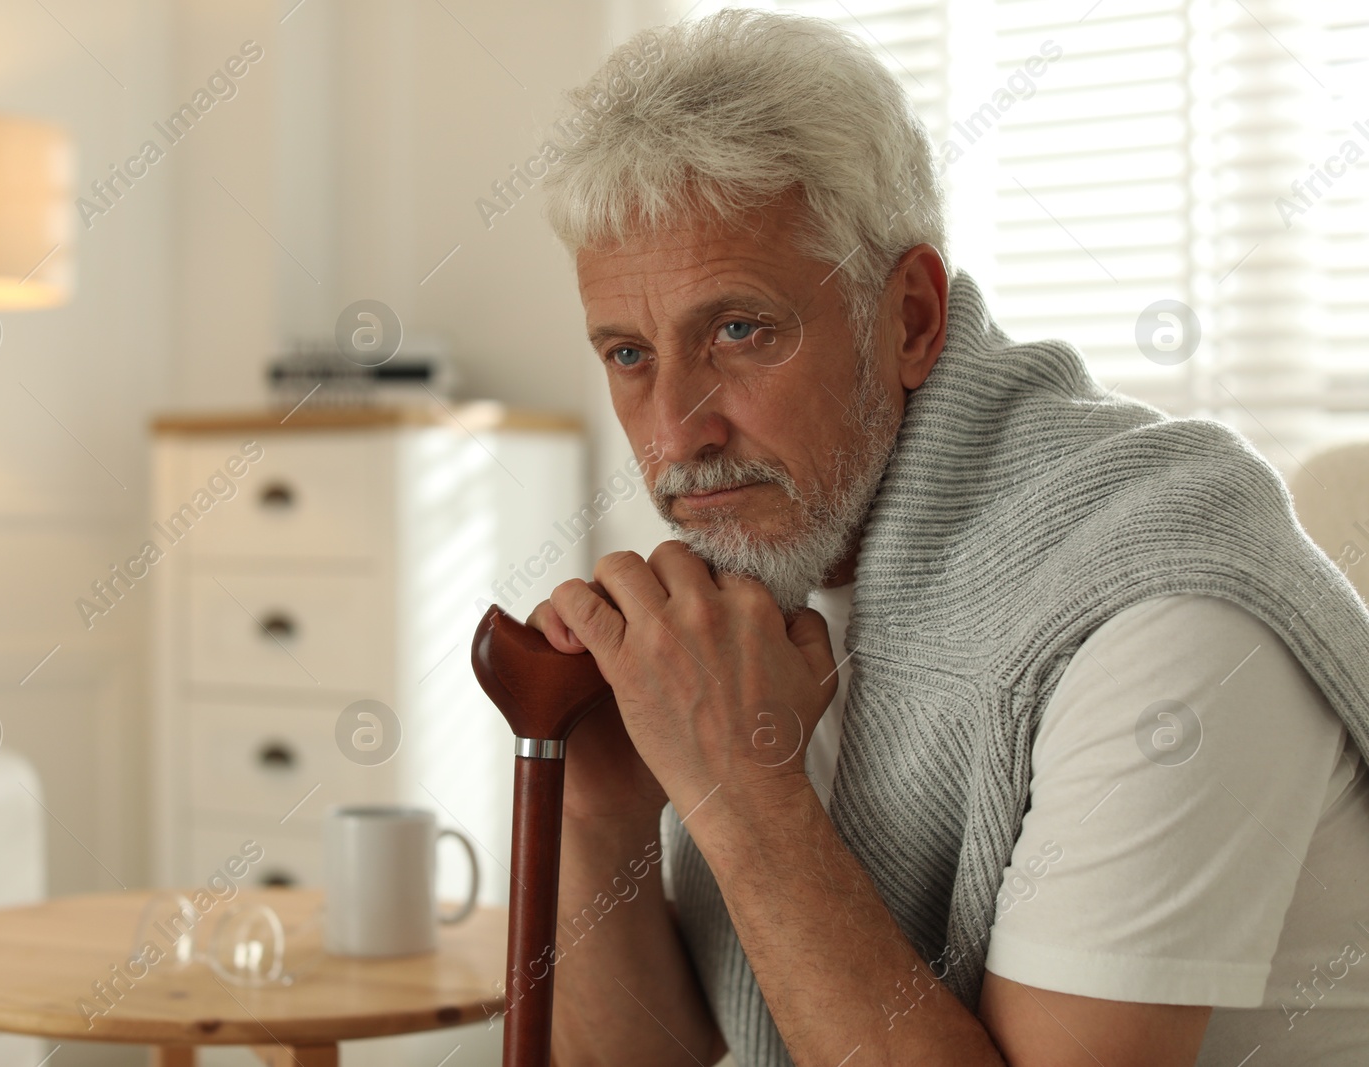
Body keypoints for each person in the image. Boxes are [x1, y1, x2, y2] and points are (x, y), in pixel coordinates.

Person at [521, 9, 1369, 1066]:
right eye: (629, 351)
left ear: (911, 318)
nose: (676, 430)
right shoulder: (753, 590)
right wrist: (599, 815)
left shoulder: (1159, 613)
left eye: (739, 329)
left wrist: (742, 787)